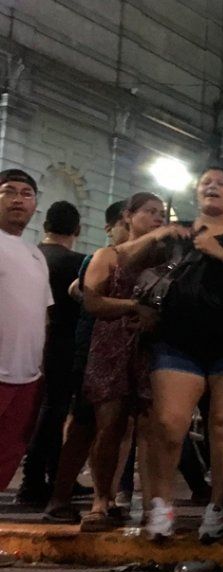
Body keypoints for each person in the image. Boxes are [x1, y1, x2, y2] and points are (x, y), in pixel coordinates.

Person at [118, 166, 223, 542]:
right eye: (205, 183)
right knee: (167, 423)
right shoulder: (179, 232)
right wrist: (157, 234)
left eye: (221, 182)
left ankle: (217, 507)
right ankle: (160, 507)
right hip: (179, 339)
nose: (212, 186)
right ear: (196, 195)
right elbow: (120, 259)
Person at [78, 192, 166, 531]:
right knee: (110, 425)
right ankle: (103, 499)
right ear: (128, 216)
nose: (157, 218)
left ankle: (150, 505)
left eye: (161, 213)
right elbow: (93, 301)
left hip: (150, 348)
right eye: (149, 212)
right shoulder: (108, 255)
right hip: (111, 347)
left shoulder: (164, 263)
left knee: (150, 429)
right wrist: (132, 307)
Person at [42, 201, 127, 523]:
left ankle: (102, 497)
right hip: (94, 352)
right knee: (86, 426)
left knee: (113, 429)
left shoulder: (139, 260)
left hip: (121, 353)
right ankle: (66, 498)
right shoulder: (102, 257)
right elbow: (84, 294)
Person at [17, 201, 87, 506]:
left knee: (41, 411)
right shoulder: (79, 263)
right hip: (65, 344)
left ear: (45, 225)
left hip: (30, 343)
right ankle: (36, 481)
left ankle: (49, 476)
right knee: (55, 411)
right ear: (77, 230)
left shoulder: (30, 257)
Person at [0, 169, 53, 493]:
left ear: (35, 205)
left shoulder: (36, 255)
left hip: (27, 378)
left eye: (26, 193)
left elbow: (41, 315)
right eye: (9, 191)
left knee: (7, 458)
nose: (18, 199)